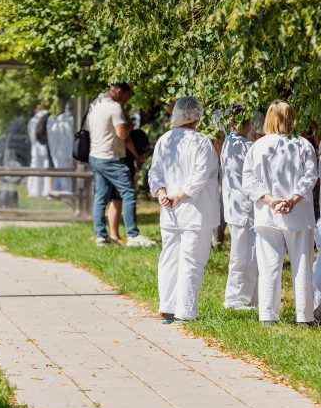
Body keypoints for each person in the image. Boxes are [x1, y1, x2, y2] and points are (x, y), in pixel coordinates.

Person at [242, 100, 318, 326]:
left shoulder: (258, 146)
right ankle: (304, 316)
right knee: (302, 265)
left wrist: (270, 200)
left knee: (269, 266)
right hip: (298, 212)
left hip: (267, 213)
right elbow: (310, 176)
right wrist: (292, 199)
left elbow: (248, 180)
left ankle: (268, 315)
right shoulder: (303, 144)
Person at [148, 96, 219, 323]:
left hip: (169, 209)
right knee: (192, 261)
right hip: (194, 211)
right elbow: (200, 176)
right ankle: (185, 311)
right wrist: (178, 195)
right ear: (197, 116)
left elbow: (155, 172)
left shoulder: (165, 140)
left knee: (169, 257)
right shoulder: (201, 142)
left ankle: (167, 307)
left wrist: (162, 194)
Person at [87, 83, 155, 247]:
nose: (126, 100)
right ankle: (133, 235)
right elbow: (122, 134)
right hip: (112, 158)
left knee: (100, 197)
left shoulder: (95, 104)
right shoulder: (115, 107)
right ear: (119, 91)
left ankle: (101, 237)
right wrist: (129, 126)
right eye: (126, 96)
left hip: (96, 155)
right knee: (129, 193)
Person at [221, 108, 258, 309]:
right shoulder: (246, 146)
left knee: (241, 253)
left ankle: (245, 297)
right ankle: (238, 299)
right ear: (247, 122)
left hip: (234, 205)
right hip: (245, 207)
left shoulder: (229, 142)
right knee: (245, 256)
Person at [48, 99, 74, 193]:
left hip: (61, 151)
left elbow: (54, 137)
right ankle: (61, 191)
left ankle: (66, 191)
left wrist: (53, 150)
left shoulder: (60, 120)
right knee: (64, 173)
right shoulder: (70, 119)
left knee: (63, 173)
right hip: (67, 151)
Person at [27, 105, 51, 197]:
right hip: (45, 148)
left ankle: (35, 190)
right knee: (46, 170)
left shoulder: (32, 121)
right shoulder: (48, 118)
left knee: (35, 170)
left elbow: (31, 136)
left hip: (35, 149)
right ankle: (46, 191)